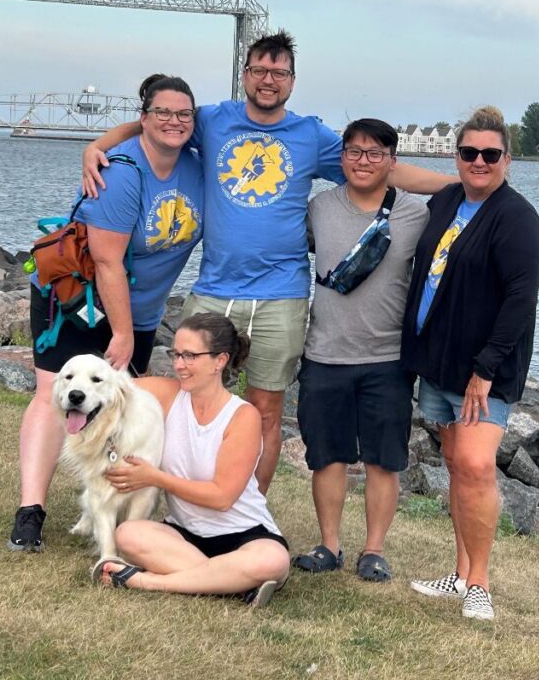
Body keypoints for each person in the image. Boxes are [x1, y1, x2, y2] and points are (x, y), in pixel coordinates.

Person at [82, 31, 457, 494]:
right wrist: (97, 144)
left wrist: (461, 185)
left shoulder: (310, 135)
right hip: (216, 288)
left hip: (283, 295)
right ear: (245, 75)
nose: (268, 80)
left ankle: (248, 510)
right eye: (259, 70)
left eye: (279, 73)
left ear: (292, 82)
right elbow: (154, 124)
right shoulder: (212, 120)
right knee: (193, 401)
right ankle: (190, 503)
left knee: (264, 411)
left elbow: (384, 168)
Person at [8, 74, 204, 552]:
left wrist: (97, 138)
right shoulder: (120, 173)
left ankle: (102, 509)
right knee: (55, 392)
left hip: (141, 308)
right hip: (79, 301)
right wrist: (122, 333)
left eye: (184, 114)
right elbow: (107, 260)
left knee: (115, 407)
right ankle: (30, 512)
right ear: (144, 118)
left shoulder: (196, 165)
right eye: (162, 113)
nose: (174, 121)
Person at [401, 106, 539, 621]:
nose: (479, 161)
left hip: (484, 371)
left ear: (508, 159)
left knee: (478, 464)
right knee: (457, 464)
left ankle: (480, 584)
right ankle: (460, 573)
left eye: (490, 154)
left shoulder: (518, 219)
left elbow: (519, 302)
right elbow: (391, 172)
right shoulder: (445, 201)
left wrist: (485, 368)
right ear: (455, 156)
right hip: (438, 361)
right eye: (469, 153)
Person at [291, 119, 428, 583]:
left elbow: (463, 249)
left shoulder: (417, 214)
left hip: (387, 357)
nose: (362, 161)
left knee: (382, 460)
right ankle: (329, 545)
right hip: (324, 352)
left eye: (374, 153)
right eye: (353, 151)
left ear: (393, 161)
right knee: (326, 456)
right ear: (342, 157)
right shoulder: (319, 208)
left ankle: (374, 550)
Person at [93, 313, 291, 607]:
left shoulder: (242, 415)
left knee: (272, 561)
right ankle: (231, 584)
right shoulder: (166, 394)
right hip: (184, 535)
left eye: (190, 356)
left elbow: (222, 497)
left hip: (244, 535)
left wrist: (155, 478)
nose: (178, 365)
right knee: (129, 535)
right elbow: (111, 390)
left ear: (219, 361)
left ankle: (146, 581)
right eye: (176, 354)